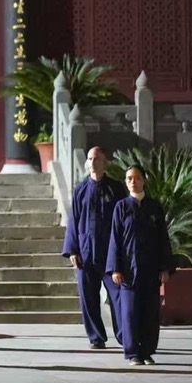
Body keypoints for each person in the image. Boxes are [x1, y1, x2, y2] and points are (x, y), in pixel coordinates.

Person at [107, 165, 175, 366]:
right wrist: (115, 268)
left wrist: (165, 267)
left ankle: (147, 351)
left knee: (150, 313)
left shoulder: (154, 207)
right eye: (129, 178)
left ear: (144, 180)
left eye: (137, 178)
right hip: (128, 271)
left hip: (150, 270)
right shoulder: (121, 207)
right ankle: (132, 353)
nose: (133, 182)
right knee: (129, 313)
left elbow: (163, 239)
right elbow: (115, 239)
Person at [62, 147, 127, 349]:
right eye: (90, 159)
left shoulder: (116, 189)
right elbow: (73, 220)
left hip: (110, 255)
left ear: (104, 162)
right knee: (88, 298)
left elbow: (124, 221)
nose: (92, 162)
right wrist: (72, 250)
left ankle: (125, 336)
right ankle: (96, 337)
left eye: (96, 158)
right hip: (85, 253)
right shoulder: (80, 190)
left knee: (119, 296)